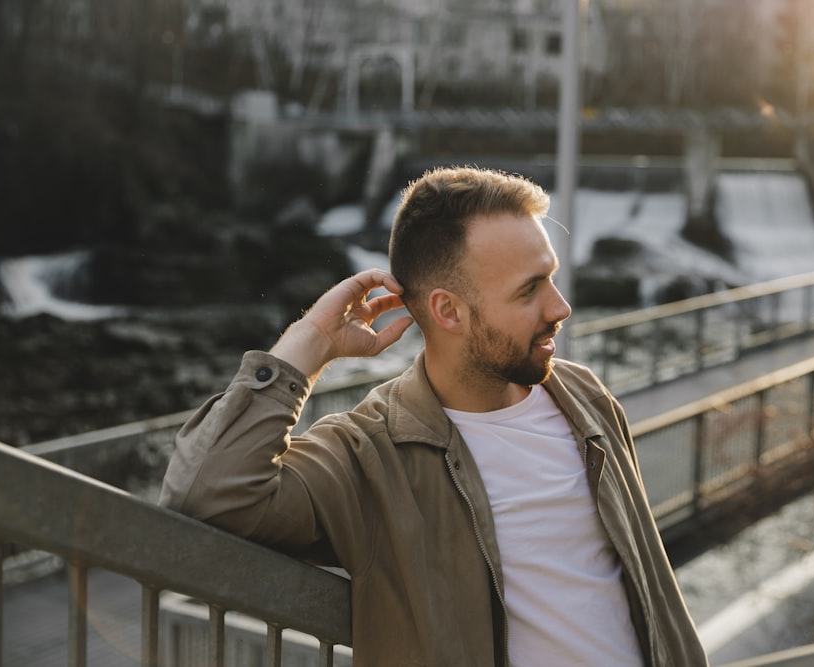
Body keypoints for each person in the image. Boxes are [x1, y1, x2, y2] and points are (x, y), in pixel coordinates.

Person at [160, 166, 708, 666]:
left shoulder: (585, 398)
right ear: (448, 310)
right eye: (529, 290)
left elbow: (648, 595)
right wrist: (310, 343)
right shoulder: (371, 454)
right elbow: (205, 491)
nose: (560, 308)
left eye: (551, 277)